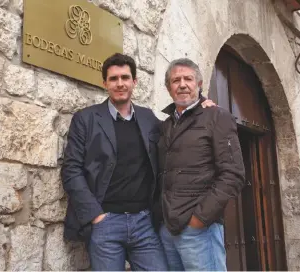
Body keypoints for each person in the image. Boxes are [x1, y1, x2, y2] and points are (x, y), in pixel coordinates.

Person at [61, 53, 214, 270]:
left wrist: (201, 104)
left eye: (125, 77)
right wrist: (96, 216)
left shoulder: (148, 119)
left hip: (144, 223)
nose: (120, 83)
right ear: (105, 83)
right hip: (106, 222)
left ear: (135, 82)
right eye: (113, 79)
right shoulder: (86, 119)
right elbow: (71, 170)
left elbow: (177, 131)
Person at [157, 58, 245, 271]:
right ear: (169, 89)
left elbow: (233, 174)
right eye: (176, 80)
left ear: (199, 84)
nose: (183, 84)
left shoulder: (217, 116)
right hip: (167, 229)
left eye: (188, 78)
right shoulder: (165, 125)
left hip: (198, 230)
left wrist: (200, 219)